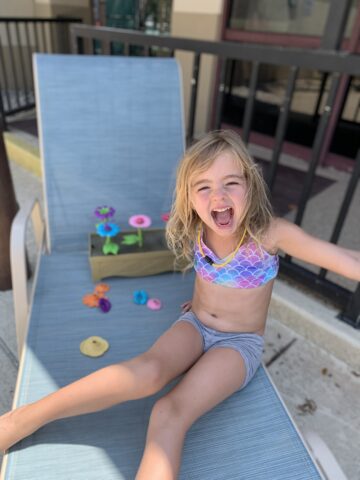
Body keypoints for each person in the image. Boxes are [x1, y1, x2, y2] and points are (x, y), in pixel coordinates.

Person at [0, 130, 359, 479]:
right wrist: (202, 303)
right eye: (203, 187)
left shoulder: (271, 234)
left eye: (231, 182)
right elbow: (213, 276)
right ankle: (24, 418)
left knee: (169, 411)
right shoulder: (199, 228)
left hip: (238, 344)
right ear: (188, 197)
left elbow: (341, 259)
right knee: (146, 371)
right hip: (195, 325)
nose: (217, 195)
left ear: (250, 184)